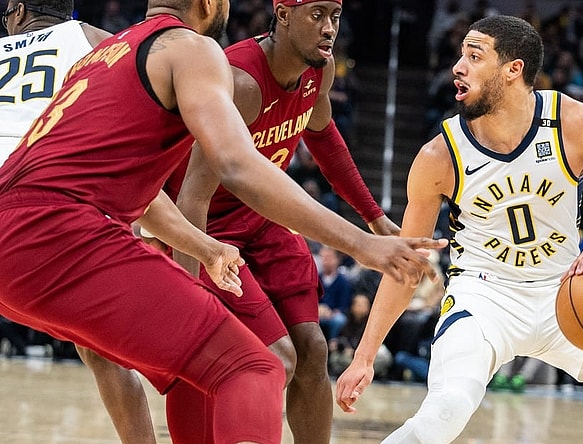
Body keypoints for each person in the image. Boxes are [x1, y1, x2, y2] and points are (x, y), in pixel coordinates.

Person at [0, 1, 445, 443]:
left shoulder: (106, 51)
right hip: (74, 229)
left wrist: (204, 250)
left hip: (22, 231)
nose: (329, 27)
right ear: (210, 3)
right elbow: (232, 167)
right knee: (257, 367)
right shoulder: (199, 53)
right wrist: (362, 244)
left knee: (272, 356)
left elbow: (135, 189)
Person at [336, 16, 583, 444]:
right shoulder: (439, 155)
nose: (457, 66)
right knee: (446, 410)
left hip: (567, 294)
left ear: (514, 69)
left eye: (474, 56)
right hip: (483, 300)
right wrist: (364, 355)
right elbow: (408, 265)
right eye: (460, 55)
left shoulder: (575, 122)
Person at [164, 1, 403, 441]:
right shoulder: (240, 82)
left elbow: (324, 135)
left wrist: (374, 217)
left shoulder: (319, 71)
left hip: (265, 222)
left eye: (335, 14)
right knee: (271, 357)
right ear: (282, 13)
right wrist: (189, 297)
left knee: (313, 349)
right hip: (207, 231)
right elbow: (190, 198)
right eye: (317, 15)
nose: (329, 28)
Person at [0, 2, 158, 442]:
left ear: (17, 10)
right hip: (59, 208)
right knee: (104, 353)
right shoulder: (98, 43)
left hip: (18, 201)